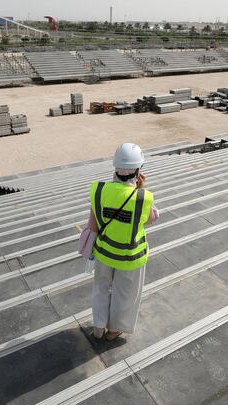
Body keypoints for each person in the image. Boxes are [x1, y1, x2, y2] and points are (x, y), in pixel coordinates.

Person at [87, 142, 159, 342]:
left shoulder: (98, 191)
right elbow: (151, 219)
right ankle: (114, 331)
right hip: (130, 257)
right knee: (124, 294)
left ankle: (99, 328)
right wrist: (140, 189)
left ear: (115, 167)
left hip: (104, 253)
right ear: (138, 170)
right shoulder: (143, 198)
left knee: (101, 288)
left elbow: (92, 225)